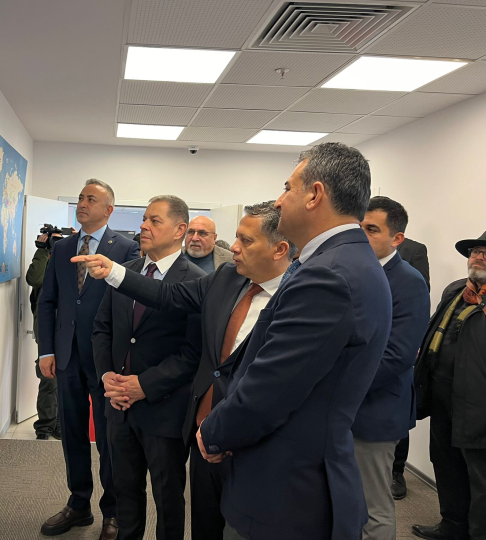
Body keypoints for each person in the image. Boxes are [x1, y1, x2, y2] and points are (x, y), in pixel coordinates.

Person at [76, 143, 393, 540]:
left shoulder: (326, 275)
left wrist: (215, 433)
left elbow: (272, 385)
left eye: (288, 187)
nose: (281, 199)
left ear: (315, 195)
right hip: (236, 447)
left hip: (284, 473)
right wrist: (113, 272)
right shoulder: (337, 264)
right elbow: (172, 298)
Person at [74, 201, 295, 540]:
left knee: (236, 521)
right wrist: (113, 272)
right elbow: (167, 296)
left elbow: (203, 355)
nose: (234, 247)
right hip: (205, 426)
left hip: (246, 432)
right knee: (203, 520)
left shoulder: (299, 296)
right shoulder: (227, 277)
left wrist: (144, 385)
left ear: (279, 249)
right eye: (237, 237)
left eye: (245, 240)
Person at [93, 195, 204, 540]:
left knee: (167, 498)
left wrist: (144, 385)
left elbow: (192, 353)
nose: (143, 226)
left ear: (179, 230)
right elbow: (102, 329)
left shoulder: (196, 280)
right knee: (124, 492)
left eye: (155, 221)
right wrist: (107, 376)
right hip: (119, 407)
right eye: (144, 219)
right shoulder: (123, 273)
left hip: (164, 410)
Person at [37, 179, 139, 539]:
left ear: (108, 209)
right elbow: (48, 301)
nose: (82, 203)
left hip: (106, 359)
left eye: (91, 199)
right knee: (72, 432)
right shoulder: (63, 247)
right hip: (66, 356)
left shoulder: (126, 248)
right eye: (80, 198)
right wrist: (46, 350)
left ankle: (112, 510)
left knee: (110, 438)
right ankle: (78, 503)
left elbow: (130, 304)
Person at [355, 197, 430, 540]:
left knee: (373, 507)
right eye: (359, 227)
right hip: (340, 409)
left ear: (397, 238)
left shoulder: (408, 281)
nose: (361, 236)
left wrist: (340, 386)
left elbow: (398, 355)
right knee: (343, 497)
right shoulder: (353, 272)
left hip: (376, 410)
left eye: (371, 230)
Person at [412, 231, 486, 540]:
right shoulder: (456, 290)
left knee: (480, 477)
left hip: (478, 402)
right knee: (445, 463)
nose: (478, 257)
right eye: (476, 252)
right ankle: (452, 526)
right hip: (442, 394)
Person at [392, 235, 431, 500]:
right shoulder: (355, 249)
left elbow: (420, 296)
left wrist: (414, 341)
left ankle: (396, 471)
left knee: (397, 406)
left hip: (399, 342)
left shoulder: (414, 250)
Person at [26, 233, 62, 440]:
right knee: (48, 379)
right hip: (46, 328)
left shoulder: (75, 257)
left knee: (66, 380)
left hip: (69, 328)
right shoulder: (44, 260)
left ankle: (58, 423)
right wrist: (42, 251)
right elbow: (34, 279)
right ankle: (45, 427)